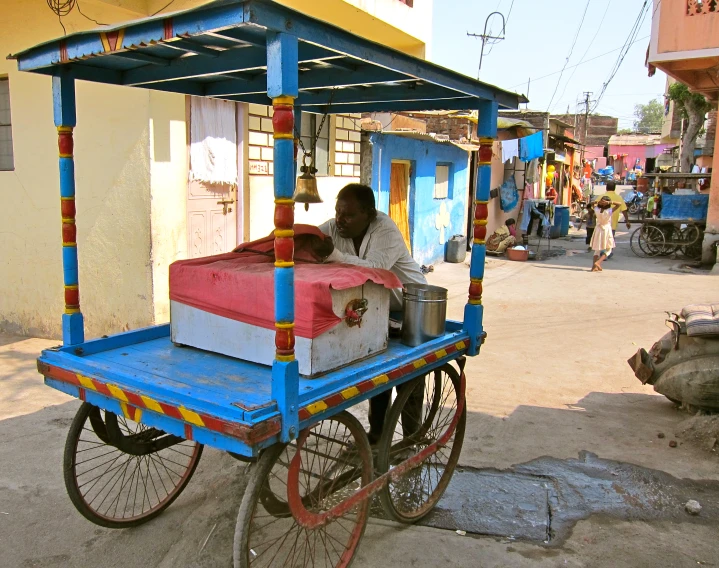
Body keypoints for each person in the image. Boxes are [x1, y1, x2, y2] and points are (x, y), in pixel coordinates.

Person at [309, 183, 426, 445]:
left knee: (409, 375)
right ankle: (376, 438)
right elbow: (312, 238)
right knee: (378, 373)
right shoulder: (334, 227)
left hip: (411, 306)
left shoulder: (385, 229)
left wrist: (333, 255)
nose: (340, 220)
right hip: (378, 307)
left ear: (369, 214)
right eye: (338, 212)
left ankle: (412, 440)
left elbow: (375, 270)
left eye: (348, 215)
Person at [596, 180, 631, 258]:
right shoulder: (619, 198)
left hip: (600, 223)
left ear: (606, 188)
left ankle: (602, 253)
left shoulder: (601, 197)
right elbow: (624, 210)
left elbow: (594, 207)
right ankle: (605, 254)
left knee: (602, 239)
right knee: (609, 239)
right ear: (615, 188)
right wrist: (627, 221)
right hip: (612, 224)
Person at [589, 196, 623, 272]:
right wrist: (610, 202)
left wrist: (597, 202)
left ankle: (593, 267)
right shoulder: (609, 210)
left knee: (597, 249)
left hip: (598, 229)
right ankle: (598, 262)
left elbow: (591, 204)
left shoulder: (597, 209)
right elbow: (619, 204)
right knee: (609, 249)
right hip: (606, 230)